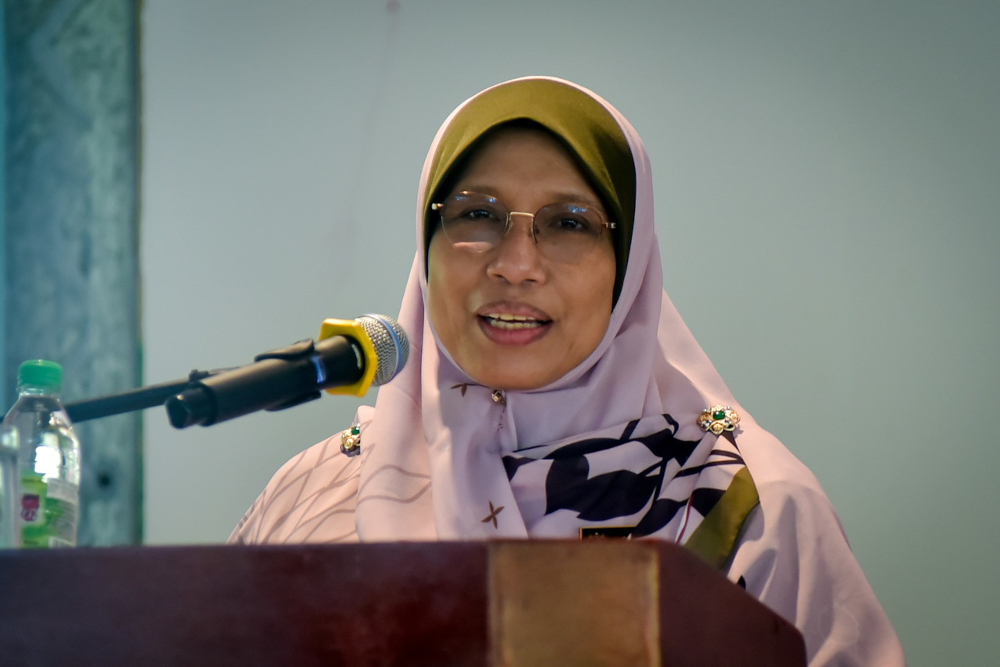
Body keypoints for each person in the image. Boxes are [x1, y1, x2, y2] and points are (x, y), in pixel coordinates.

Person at [230, 76, 905, 666]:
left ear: (629, 267)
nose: (516, 263)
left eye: (570, 224)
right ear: (425, 246)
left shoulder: (745, 507)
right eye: (476, 214)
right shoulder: (317, 490)